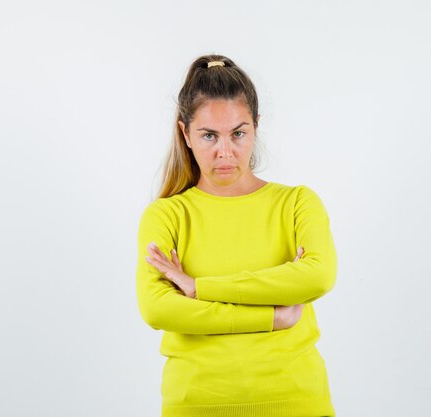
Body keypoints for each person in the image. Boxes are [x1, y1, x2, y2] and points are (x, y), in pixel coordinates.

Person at [135, 54, 337, 417]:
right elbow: (157, 308)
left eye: (238, 133)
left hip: (296, 402)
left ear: (256, 127)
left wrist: (199, 289)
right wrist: (270, 317)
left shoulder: (297, 204)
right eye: (209, 135)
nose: (225, 152)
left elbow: (317, 276)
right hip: (196, 405)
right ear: (186, 133)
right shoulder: (166, 215)